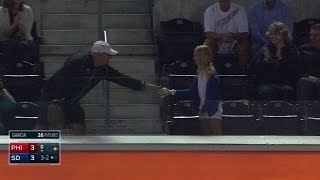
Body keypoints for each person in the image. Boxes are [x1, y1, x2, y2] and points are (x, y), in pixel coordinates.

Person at [34, 41, 161, 135]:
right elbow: (59, 82)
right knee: (42, 124)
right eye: (108, 55)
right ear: (98, 54)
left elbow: (124, 80)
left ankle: (80, 154)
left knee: (79, 124)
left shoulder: (103, 70)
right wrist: (56, 102)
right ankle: (34, 153)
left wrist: (151, 87)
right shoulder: (77, 62)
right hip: (51, 96)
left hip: (71, 100)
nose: (110, 58)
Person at [160, 45, 222, 135]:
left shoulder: (210, 73)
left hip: (212, 107)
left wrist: (205, 108)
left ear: (202, 57)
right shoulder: (200, 73)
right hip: (203, 107)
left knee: (217, 135)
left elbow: (213, 95)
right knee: (205, 135)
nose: (193, 58)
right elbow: (192, 91)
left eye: (196, 55)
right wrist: (171, 92)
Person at [249, 22, 301, 101]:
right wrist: (265, 61)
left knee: (287, 91)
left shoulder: (291, 49)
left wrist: (280, 58)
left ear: (284, 35)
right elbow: (253, 69)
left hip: (286, 83)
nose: (273, 37)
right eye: (271, 34)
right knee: (266, 91)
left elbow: (294, 71)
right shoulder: (265, 48)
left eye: (276, 34)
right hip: (267, 83)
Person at [204, 0, 249, 65]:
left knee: (244, 43)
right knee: (209, 42)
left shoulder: (240, 10)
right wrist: (221, 36)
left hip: (235, 41)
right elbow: (208, 34)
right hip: (217, 43)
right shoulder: (210, 10)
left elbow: (244, 34)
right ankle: (210, 71)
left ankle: (242, 71)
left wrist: (232, 36)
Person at [0, 0, 36, 70]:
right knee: (12, 46)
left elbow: (26, 33)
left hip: (24, 40)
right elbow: (5, 34)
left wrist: (19, 22)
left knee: (24, 46)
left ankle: (26, 70)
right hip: (6, 41)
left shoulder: (27, 10)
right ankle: (11, 71)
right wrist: (15, 23)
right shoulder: (1, 11)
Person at [296, 24, 320, 102]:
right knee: (305, 82)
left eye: (316, 35)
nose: (312, 38)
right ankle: (303, 112)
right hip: (309, 79)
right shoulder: (303, 50)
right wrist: (309, 77)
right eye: (311, 35)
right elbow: (297, 71)